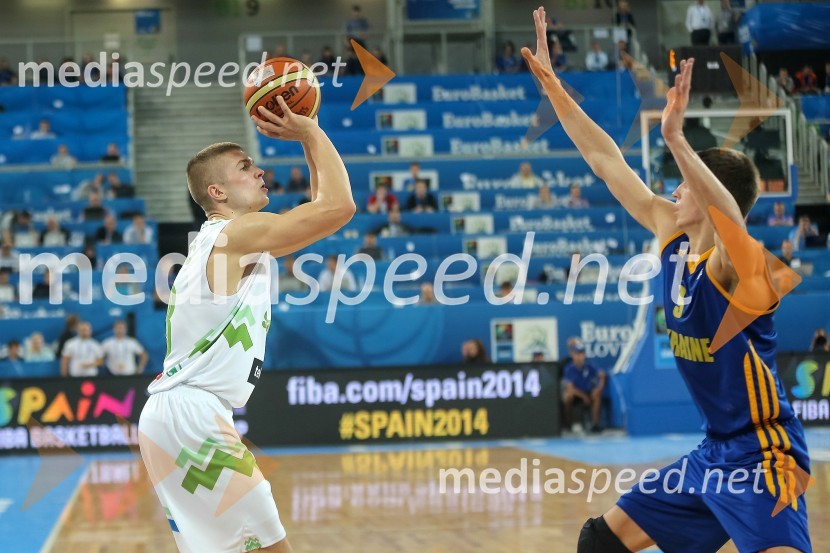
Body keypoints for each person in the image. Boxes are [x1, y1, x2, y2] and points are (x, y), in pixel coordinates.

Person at [521, 9, 810, 552]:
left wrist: (680, 140)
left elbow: (731, 221)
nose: (673, 190)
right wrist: (555, 89)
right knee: (600, 541)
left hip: (764, 456)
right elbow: (606, 160)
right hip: (713, 455)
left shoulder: (740, 267)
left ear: (706, 194)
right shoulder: (670, 234)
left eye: (683, 182)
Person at [139, 96, 354, 553]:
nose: (259, 172)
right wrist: (310, 132)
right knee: (270, 547)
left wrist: (308, 138)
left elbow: (320, 208)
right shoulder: (234, 235)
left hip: (180, 415)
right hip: (190, 415)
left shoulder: (226, 240)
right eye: (245, 167)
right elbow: (338, 207)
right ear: (217, 193)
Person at [561, 340, 606, 433]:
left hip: (588, 392)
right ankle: (568, 425)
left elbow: (602, 375)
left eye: (581, 354)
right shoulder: (569, 368)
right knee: (567, 397)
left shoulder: (589, 366)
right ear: (573, 355)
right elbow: (570, 388)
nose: (579, 356)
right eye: (577, 354)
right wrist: (583, 396)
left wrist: (598, 388)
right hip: (577, 395)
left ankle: (595, 424)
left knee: (597, 396)